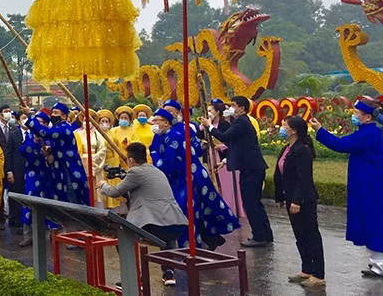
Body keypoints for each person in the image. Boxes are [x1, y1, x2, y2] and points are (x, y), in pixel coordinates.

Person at [310, 99, 383, 277]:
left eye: (357, 114)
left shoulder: (368, 134)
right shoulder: (369, 132)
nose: (354, 116)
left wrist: (320, 130)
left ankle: (380, 264)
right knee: (370, 220)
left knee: (372, 221)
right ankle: (376, 262)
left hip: (369, 185)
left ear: (366, 117)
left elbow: (340, 145)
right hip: (368, 183)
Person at [99, 142, 188, 286]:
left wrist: (103, 185)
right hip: (177, 223)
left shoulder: (135, 172)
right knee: (166, 235)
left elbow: (114, 192)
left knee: (121, 235)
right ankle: (168, 273)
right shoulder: (157, 171)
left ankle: (132, 277)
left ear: (131, 160)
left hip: (154, 225)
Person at [152, 108, 238, 249]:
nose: (154, 124)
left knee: (188, 211)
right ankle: (208, 239)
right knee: (192, 211)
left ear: (166, 122)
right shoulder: (159, 136)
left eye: (157, 120)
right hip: (177, 180)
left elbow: (169, 164)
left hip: (189, 178)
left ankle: (194, 244)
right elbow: (153, 149)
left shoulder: (177, 135)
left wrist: (157, 161)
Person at [204, 96, 273, 247]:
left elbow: (224, 136)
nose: (231, 108)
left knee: (250, 204)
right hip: (251, 167)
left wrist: (209, 126)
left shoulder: (242, 121)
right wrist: (225, 161)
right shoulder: (239, 122)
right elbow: (235, 145)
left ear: (242, 108)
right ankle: (266, 233)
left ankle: (259, 236)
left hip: (251, 168)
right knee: (255, 203)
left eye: (234, 105)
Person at [275, 116, 325, 288]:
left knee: (311, 235)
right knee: (300, 236)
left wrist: (297, 200)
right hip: (290, 197)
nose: (281, 127)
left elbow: (304, 179)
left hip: (303, 199)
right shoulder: (287, 148)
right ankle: (306, 268)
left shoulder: (302, 150)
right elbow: (280, 174)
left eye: (284, 125)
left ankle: (318, 274)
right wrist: (280, 196)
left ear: (294, 130)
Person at [26, 102, 90, 205]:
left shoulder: (64, 128)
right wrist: (49, 150)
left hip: (69, 169)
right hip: (59, 171)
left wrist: (29, 115)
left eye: (56, 113)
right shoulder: (56, 128)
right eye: (52, 113)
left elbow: (45, 133)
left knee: (72, 199)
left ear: (64, 116)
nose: (53, 115)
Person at [17, 111, 60, 247]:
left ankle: (53, 234)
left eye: (41, 123)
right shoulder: (29, 137)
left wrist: (49, 153)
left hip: (48, 176)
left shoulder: (51, 138)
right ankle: (28, 234)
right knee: (29, 203)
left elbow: (54, 158)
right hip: (32, 175)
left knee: (50, 203)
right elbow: (23, 151)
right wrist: (36, 145)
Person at [74, 110, 106, 205]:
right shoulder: (77, 134)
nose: (86, 123)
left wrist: (92, 159)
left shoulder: (98, 135)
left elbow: (103, 150)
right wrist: (83, 159)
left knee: (95, 192)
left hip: (95, 165)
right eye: (84, 120)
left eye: (89, 120)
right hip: (82, 165)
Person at [6, 111, 29, 234]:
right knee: (17, 196)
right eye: (23, 118)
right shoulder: (13, 134)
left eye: (27, 118)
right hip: (17, 170)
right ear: (19, 121)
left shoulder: (34, 135)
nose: (25, 120)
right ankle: (18, 221)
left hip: (31, 171)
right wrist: (9, 171)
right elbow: (9, 154)